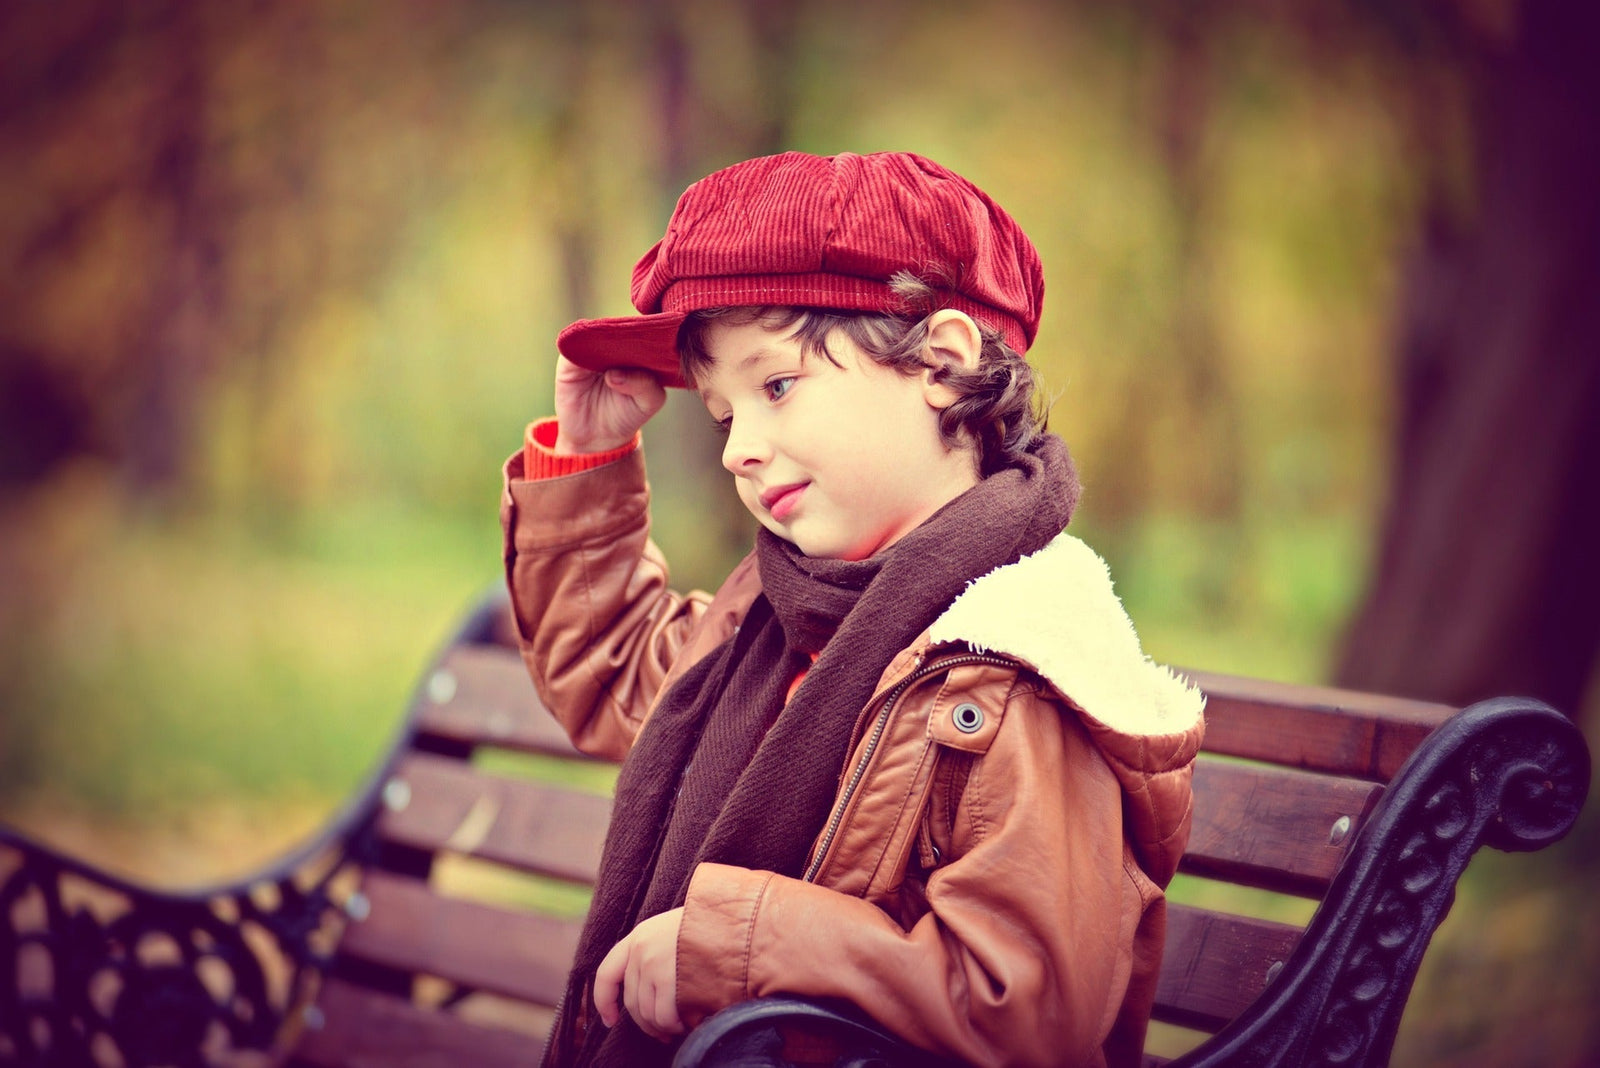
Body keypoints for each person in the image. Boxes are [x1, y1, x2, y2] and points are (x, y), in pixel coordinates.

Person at [501, 150, 1205, 1068]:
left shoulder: (1014, 667)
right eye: (722, 416)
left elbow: (1022, 1013)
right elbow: (620, 678)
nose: (738, 451)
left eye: (778, 386)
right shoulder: (783, 616)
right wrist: (587, 456)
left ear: (943, 366)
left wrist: (733, 949)